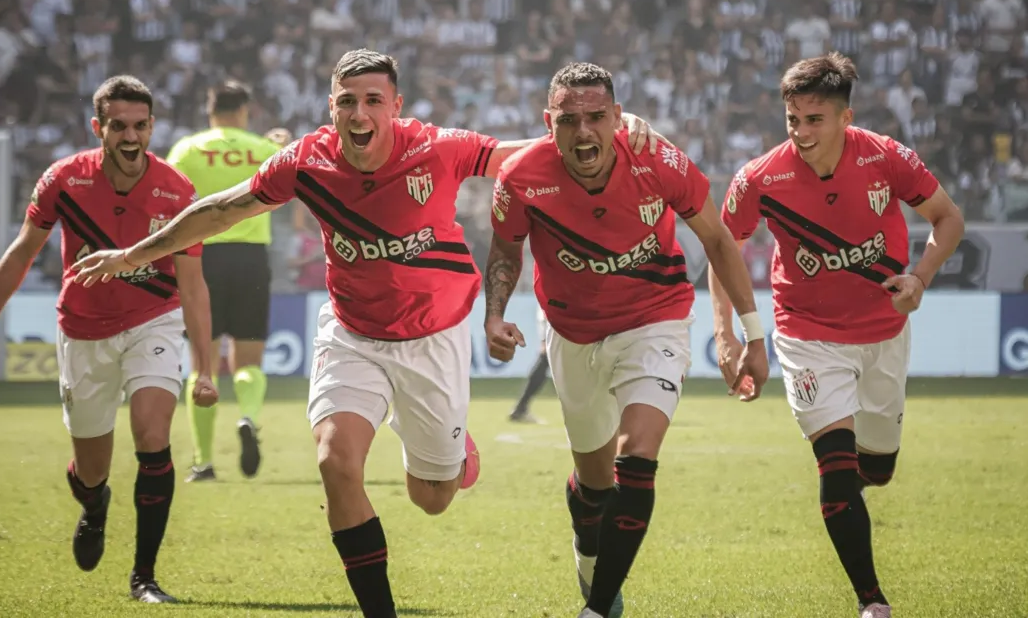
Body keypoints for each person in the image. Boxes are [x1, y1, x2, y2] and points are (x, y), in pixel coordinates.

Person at [69, 50, 663, 617]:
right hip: (352, 332)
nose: (359, 114)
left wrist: (605, 132)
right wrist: (133, 255)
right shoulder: (306, 160)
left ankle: (451, 457)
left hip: (434, 338)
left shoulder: (437, 147)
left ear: (395, 106)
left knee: (432, 497)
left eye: (372, 100)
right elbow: (224, 209)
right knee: (335, 460)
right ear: (332, 107)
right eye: (346, 101)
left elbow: (527, 151)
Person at [483, 62, 770, 618]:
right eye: (570, 120)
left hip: (653, 321)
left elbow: (717, 238)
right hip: (571, 333)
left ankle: (596, 610)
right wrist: (494, 315)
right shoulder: (521, 176)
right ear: (549, 123)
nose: (584, 132)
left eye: (596, 117)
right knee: (594, 489)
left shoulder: (659, 161)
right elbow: (504, 250)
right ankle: (589, 544)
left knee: (636, 456)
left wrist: (747, 333)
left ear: (618, 116)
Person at [710, 53, 964, 618]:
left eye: (815, 119)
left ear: (846, 117)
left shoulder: (885, 156)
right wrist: (727, 334)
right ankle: (871, 601)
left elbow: (949, 219)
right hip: (807, 335)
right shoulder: (758, 178)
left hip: (883, 332)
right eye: (792, 119)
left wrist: (920, 278)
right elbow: (722, 249)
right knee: (836, 465)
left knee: (877, 469)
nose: (801, 132)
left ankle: (852, 493)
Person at [0, 75, 218, 604]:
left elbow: (192, 282)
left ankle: (145, 577)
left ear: (152, 128)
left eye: (140, 126)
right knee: (91, 470)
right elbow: (23, 253)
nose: (130, 136)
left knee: (151, 433)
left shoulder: (177, 190)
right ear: (98, 128)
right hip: (83, 330)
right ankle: (95, 506)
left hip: (154, 322)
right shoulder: (64, 180)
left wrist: (206, 369)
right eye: (118, 126)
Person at [166, 80, 281, 482]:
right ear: (245, 110)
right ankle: (248, 416)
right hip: (251, 259)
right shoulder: (263, 150)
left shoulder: (187, 149)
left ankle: (204, 462)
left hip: (202, 259)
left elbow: (168, 201)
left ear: (210, 110)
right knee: (248, 362)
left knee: (203, 365)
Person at [507, 306, 550, 423]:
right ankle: (520, 408)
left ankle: (520, 408)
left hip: (555, 317)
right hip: (555, 318)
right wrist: (544, 339)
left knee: (545, 362)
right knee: (544, 361)